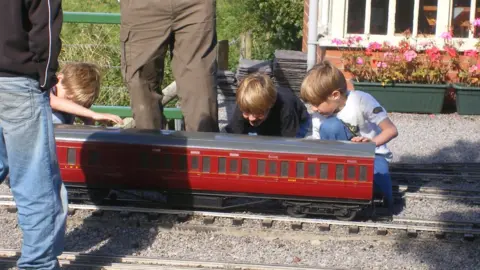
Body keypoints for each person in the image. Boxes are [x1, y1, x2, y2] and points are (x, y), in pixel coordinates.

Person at [0, 0, 68, 269]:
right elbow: (46, 35)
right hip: (17, 82)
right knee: (34, 179)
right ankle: (37, 263)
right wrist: (45, 78)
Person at [300, 61, 398, 213]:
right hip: (338, 160)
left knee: (381, 186)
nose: (313, 108)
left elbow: (391, 130)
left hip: (372, 155)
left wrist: (370, 143)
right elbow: (319, 145)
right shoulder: (319, 116)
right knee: (331, 126)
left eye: (316, 103)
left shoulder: (361, 100)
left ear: (335, 95)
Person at [120, 0, 219, 132]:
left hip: (195, 6)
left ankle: (201, 151)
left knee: (201, 91)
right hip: (142, 6)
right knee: (142, 91)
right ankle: (150, 151)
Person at [225, 73, 311, 138]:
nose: (251, 118)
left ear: (271, 104)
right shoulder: (245, 104)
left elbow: (288, 144)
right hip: (267, 119)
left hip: (296, 121)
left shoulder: (286, 108)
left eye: (258, 113)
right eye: (247, 112)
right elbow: (233, 135)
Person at [50, 62, 123, 126]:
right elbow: (52, 101)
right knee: (57, 119)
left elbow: (74, 110)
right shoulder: (46, 90)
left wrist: (89, 119)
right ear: (59, 78)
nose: (71, 105)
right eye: (68, 98)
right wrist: (93, 115)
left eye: (76, 104)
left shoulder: (68, 108)